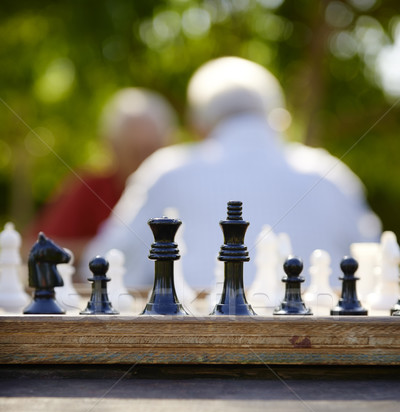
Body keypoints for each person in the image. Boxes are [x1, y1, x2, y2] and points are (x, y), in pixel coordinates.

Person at [81, 57, 381, 288]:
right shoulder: (330, 176)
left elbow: (100, 266)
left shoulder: (166, 171)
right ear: (280, 120)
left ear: (199, 126)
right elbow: (380, 269)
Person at [27, 88, 177, 261]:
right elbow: (33, 249)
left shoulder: (183, 190)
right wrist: (110, 250)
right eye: (134, 153)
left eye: (151, 152)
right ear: (111, 148)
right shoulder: (90, 188)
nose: (144, 163)